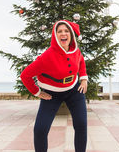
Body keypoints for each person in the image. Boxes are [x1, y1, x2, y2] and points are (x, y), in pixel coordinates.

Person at [21, 20, 88, 152]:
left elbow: (81, 61)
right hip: (52, 95)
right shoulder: (47, 56)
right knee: (40, 129)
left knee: (81, 124)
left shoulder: (75, 50)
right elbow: (25, 75)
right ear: (55, 35)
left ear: (71, 34)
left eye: (66, 31)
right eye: (60, 31)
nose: (63, 34)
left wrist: (84, 78)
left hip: (74, 91)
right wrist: (37, 92)